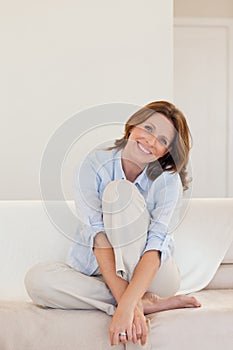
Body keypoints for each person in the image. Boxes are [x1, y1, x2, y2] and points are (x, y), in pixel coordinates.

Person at [25, 101, 201, 348]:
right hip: (101, 271)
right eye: (148, 128)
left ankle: (133, 299)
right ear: (132, 127)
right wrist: (130, 303)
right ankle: (143, 303)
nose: (151, 141)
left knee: (121, 193)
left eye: (162, 140)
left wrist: (126, 307)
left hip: (152, 276)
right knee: (37, 280)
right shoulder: (95, 164)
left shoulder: (167, 181)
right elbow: (97, 236)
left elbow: (155, 246)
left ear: (166, 152)